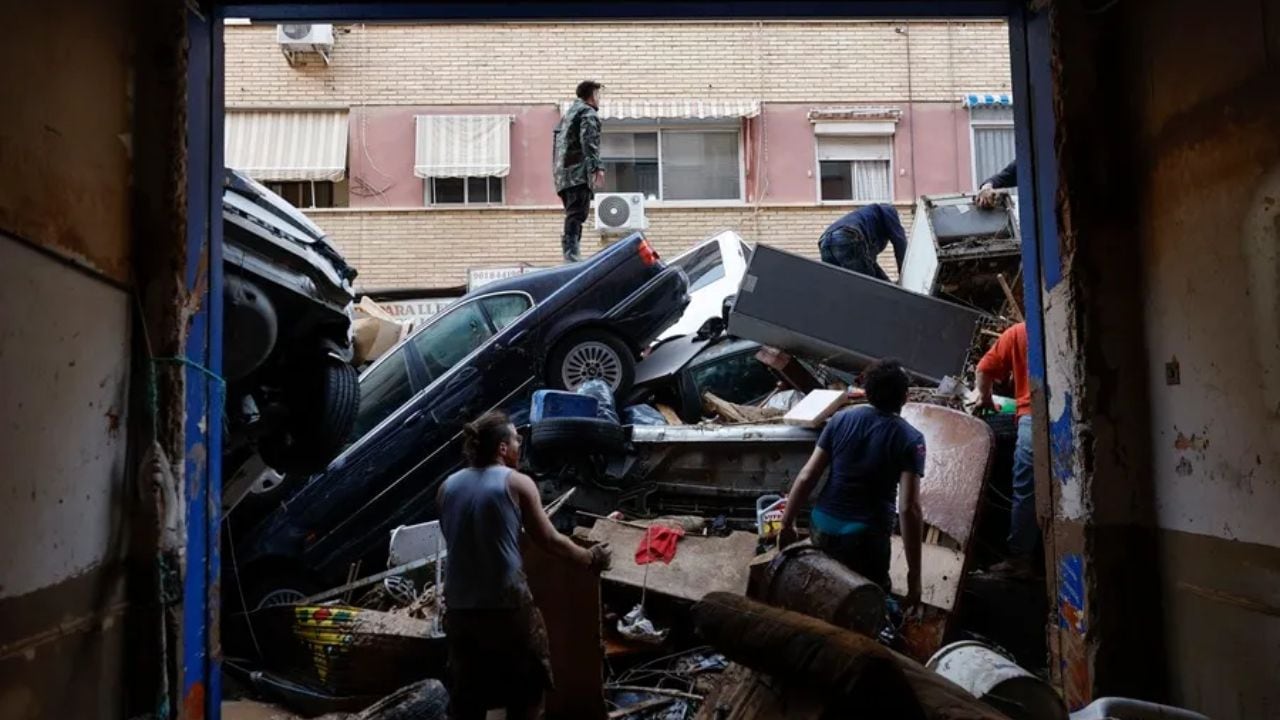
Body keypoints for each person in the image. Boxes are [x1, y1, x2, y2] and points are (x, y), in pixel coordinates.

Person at [438, 411, 611, 720]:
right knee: (527, 693)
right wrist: (589, 558)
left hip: (459, 608)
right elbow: (548, 540)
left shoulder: (447, 486)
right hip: (505, 606)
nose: (520, 443)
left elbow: (456, 540)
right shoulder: (517, 483)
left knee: (468, 697)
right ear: (502, 448)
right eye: (516, 438)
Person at [777, 359, 924, 608]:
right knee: (868, 601)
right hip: (864, 538)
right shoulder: (910, 439)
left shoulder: (840, 419)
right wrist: (914, 577)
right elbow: (909, 508)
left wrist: (787, 524)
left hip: (821, 527)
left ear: (866, 390)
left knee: (826, 591)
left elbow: (807, 476)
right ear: (905, 397)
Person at [974, 322, 1037, 577]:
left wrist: (984, 397)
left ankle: (1021, 558)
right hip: (1074, 418)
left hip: (1032, 419)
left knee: (1026, 491)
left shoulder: (1020, 332)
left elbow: (984, 369)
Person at [552, 80, 605, 263]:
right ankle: (572, 256)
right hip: (577, 175)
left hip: (562, 177)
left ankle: (571, 254)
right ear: (592, 95)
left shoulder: (568, 115)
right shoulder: (587, 113)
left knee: (573, 214)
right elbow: (588, 141)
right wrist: (596, 167)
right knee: (577, 214)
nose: (600, 99)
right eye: (598, 95)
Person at [817, 203, 907, 281]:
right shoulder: (887, 210)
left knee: (840, 288)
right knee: (868, 285)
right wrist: (904, 276)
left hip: (824, 242)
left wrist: (887, 283)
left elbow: (870, 264)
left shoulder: (869, 222)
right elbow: (900, 241)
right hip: (846, 235)